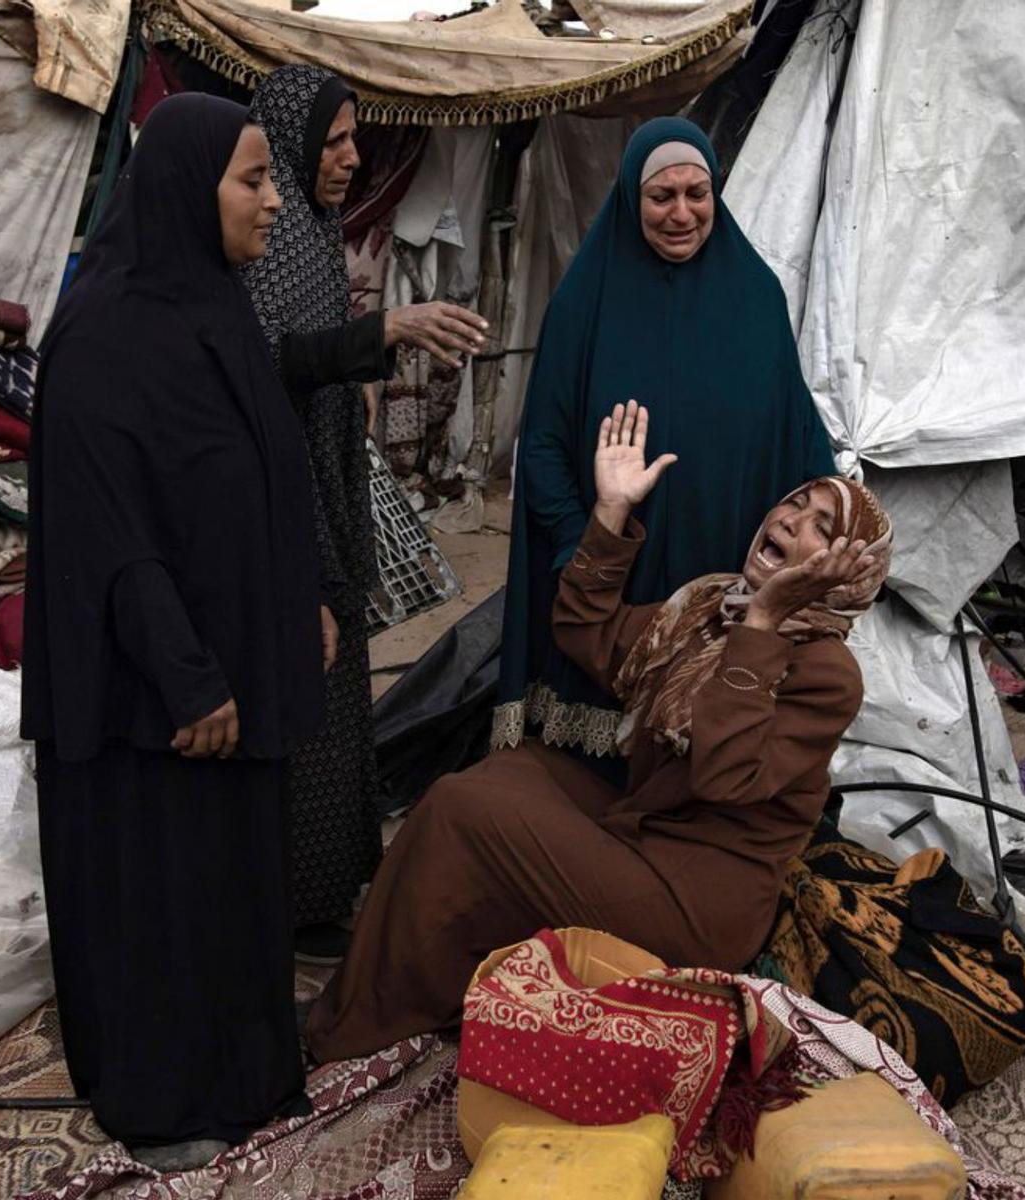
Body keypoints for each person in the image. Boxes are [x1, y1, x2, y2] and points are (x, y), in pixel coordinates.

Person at [307, 401, 891, 1062]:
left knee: (463, 811)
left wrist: (760, 631)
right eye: (795, 503)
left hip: (697, 900)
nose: (789, 520)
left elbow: (725, 776)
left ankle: (347, 1031)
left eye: (822, 526)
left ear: (847, 572)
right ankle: (420, 986)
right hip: (646, 830)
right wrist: (612, 514)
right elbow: (588, 635)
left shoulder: (826, 673)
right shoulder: (709, 606)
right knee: (512, 767)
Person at [22, 95, 334, 1170]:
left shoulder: (213, 310)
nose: (273, 200)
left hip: (223, 673)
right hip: (155, 700)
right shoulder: (107, 335)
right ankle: (164, 1102)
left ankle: (241, 1078)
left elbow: (259, 476)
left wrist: (304, 605)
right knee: (157, 894)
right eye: (252, 180)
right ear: (182, 190)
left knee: (227, 887)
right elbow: (114, 535)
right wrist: (189, 678)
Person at [495, 117, 837, 769]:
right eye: (662, 197)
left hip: (729, 566)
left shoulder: (757, 298)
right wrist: (583, 549)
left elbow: (798, 431)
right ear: (632, 198)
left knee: (706, 746)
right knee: (597, 779)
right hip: (620, 580)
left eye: (697, 194)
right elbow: (541, 445)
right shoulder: (584, 304)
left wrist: (828, 530)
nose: (682, 213)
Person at [243, 64, 488, 963]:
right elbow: (273, 360)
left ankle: (334, 879)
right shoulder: (261, 242)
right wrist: (379, 336)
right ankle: (296, 900)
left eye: (354, 138)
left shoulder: (309, 226)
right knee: (309, 678)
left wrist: (361, 385)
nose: (351, 157)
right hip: (285, 489)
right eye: (335, 139)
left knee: (342, 680)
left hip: (329, 472)